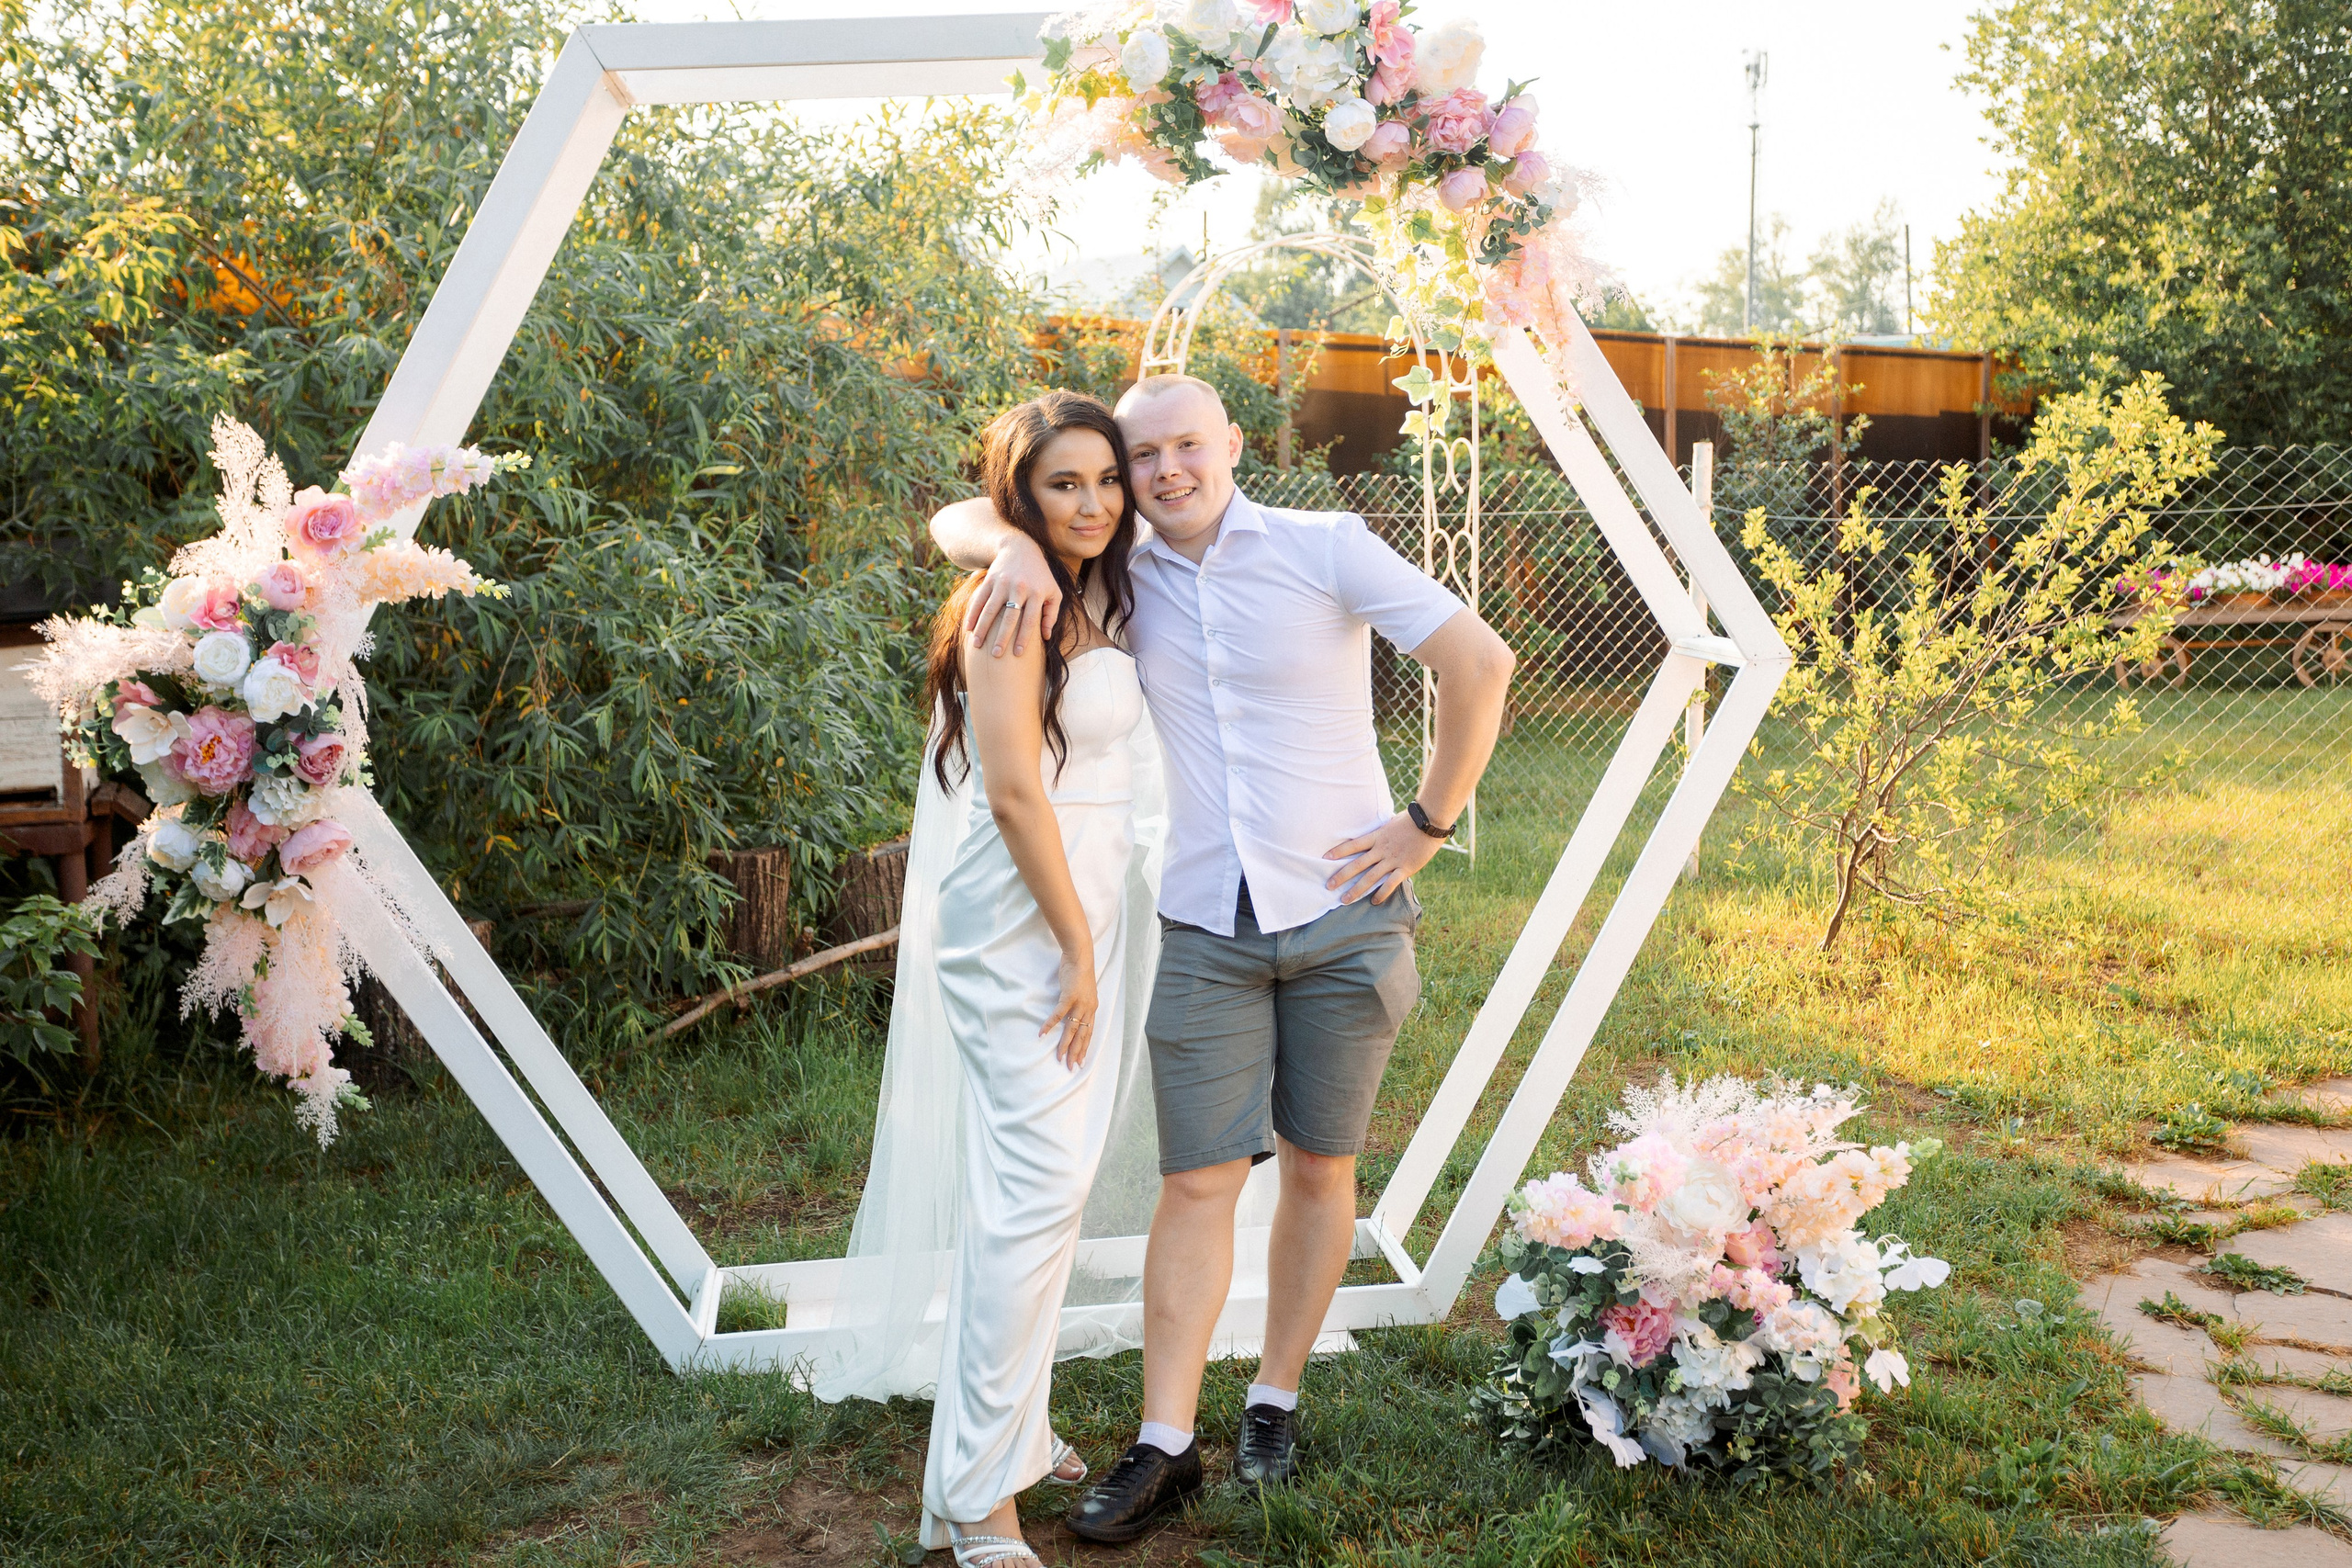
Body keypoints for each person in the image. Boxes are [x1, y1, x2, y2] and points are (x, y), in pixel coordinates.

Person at [930, 374, 1515, 1542]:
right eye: (1142, 456)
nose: (1163, 473)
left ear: (1231, 443)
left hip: (1349, 914)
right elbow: (965, 517)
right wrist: (1008, 545)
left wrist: (1429, 820)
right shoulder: (1114, 574)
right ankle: (1162, 1442)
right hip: (1206, 921)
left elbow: (1479, 661)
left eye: (1184, 446)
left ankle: (1274, 1400)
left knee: (1319, 1165)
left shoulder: (1323, 545)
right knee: (1197, 1178)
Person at [874, 391, 1156, 1568]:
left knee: (1044, 1198)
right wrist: (1078, 948)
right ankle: (976, 1503)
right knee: (1033, 1197)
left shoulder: (1093, 586)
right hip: (1019, 926)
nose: (1091, 503)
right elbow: (1008, 791)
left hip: (1086, 904)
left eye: (1105, 480)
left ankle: (1012, 1434)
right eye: (1061, 486)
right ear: (1019, 499)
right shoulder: (1011, 605)